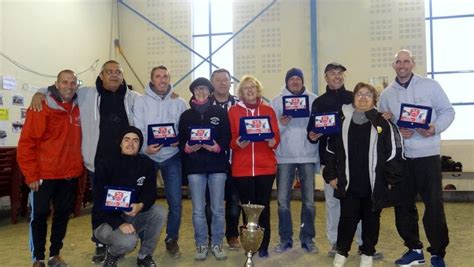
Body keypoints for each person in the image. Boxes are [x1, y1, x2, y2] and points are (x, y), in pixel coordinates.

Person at [30, 60, 140, 264]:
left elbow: (152, 103)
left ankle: (118, 240)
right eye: (109, 72)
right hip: (96, 163)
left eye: (118, 72)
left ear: (123, 76)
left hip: (124, 164)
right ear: (101, 75)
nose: (114, 75)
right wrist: (39, 92)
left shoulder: (132, 97)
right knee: (100, 204)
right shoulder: (87, 94)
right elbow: (61, 89)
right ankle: (99, 242)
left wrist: (171, 96)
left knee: (121, 201)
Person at [378, 49, 455, 267]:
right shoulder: (386, 95)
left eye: (406, 61)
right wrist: (393, 125)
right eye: (398, 62)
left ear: (413, 63)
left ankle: (438, 253)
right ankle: (414, 249)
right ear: (393, 65)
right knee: (403, 206)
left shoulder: (430, 86)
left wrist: (434, 128)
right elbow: (384, 126)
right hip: (401, 159)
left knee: (434, 206)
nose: (402, 65)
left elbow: (448, 111)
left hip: (427, 156)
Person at [325, 82, 404, 267]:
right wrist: (331, 175)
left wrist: (391, 180)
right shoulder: (342, 122)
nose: (363, 97)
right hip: (349, 183)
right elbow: (330, 151)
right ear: (353, 98)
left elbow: (393, 153)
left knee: (371, 220)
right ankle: (342, 252)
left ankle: (368, 252)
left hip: (374, 184)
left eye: (368, 94)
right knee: (347, 219)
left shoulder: (383, 123)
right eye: (359, 94)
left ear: (374, 99)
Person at [18, 70, 83, 267]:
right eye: (65, 82)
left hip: (69, 174)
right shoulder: (41, 107)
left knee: (62, 215)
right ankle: (38, 258)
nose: (69, 86)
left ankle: (55, 254)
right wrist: (31, 175)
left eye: (73, 83)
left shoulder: (79, 107)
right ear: (56, 83)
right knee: (38, 217)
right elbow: (26, 144)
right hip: (43, 175)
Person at [307, 63, 365, 257]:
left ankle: (361, 242)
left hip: (354, 159)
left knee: (356, 202)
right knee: (333, 203)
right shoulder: (319, 102)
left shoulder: (353, 97)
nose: (337, 76)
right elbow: (311, 130)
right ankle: (334, 242)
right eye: (333, 73)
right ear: (326, 77)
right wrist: (313, 135)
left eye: (340, 73)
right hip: (329, 160)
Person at [92, 126, 167, 267]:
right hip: (106, 222)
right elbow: (98, 201)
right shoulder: (105, 164)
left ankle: (144, 255)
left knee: (160, 211)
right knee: (128, 242)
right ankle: (113, 254)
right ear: (120, 143)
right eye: (126, 140)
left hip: (131, 217)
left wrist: (141, 205)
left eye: (135, 140)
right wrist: (119, 223)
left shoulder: (146, 164)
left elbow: (150, 193)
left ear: (140, 145)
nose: (131, 144)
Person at [133, 65, 187, 258]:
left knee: (176, 202)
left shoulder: (179, 102)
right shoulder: (140, 101)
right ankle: (143, 238)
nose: (162, 80)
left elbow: (185, 128)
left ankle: (171, 238)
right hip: (147, 157)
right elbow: (137, 127)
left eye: (165, 76)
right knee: (142, 201)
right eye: (158, 76)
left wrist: (178, 139)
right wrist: (144, 148)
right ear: (152, 79)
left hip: (172, 156)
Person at [178, 77, 231, 261]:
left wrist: (217, 147)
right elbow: (181, 138)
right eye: (197, 89)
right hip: (195, 168)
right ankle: (201, 244)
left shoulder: (219, 112)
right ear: (193, 91)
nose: (201, 92)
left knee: (217, 209)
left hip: (217, 167)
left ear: (210, 92)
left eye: (204, 89)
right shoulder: (186, 115)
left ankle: (217, 243)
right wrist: (186, 147)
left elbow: (227, 136)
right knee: (198, 210)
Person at [228, 75, 280, 258]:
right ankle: (250, 243)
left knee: (263, 207)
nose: (250, 90)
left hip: (265, 167)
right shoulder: (233, 111)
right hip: (241, 168)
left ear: (258, 91)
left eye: (253, 87)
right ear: (240, 92)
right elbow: (231, 137)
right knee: (247, 208)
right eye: (246, 88)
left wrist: (272, 140)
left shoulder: (268, 110)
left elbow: (276, 137)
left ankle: (264, 244)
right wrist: (236, 144)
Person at [270, 68, 319, 254]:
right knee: (283, 200)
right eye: (292, 79)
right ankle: (285, 240)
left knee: (309, 201)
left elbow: (318, 125)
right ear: (287, 82)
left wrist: (316, 133)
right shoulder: (276, 101)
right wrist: (282, 124)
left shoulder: (314, 100)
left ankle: (307, 239)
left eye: (299, 78)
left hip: (307, 155)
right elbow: (272, 132)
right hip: (284, 157)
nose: (296, 82)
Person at [209, 68, 241, 249]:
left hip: (235, 160)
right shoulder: (203, 104)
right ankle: (212, 235)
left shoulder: (239, 104)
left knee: (233, 200)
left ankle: (232, 235)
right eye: (218, 80)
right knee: (211, 202)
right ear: (212, 83)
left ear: (230, 83)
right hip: (212, 161)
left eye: (225, 80)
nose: (222, 83)